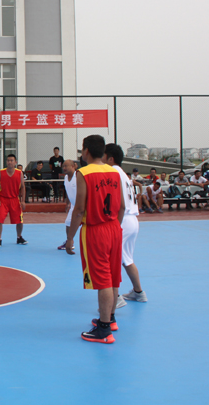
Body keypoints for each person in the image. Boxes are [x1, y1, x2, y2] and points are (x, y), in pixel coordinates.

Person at [65, 135, 124, 344]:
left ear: (86, 151)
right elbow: (122, 206)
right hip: (114, 227)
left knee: (102, 279)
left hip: (96, 230)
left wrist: (70, 237)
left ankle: (104, 330)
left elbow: (79, 209)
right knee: (113, 276)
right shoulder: (114, 171)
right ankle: (111, 319)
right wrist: (115, 227)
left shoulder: (84, 173)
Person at [104, 144, 147, 309]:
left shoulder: (113, 172)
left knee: (110, 260)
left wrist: (114, 224)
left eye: (103, 156)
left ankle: (115, 298)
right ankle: (138, 292)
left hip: (122, 220)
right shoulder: (123, 174)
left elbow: (117, 202)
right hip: (133, 219)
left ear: (110, 158)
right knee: (127, 259)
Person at [0, 154, 26, 247]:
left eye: (11, 160)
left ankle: (19, 237)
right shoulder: (1, 172)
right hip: (3, 199)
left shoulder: (19, 173)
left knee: (20, 221)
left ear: (15, 162)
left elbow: (23, 187)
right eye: (8, 160)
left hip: (15, 199)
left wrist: (23, 201)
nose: (10, 162)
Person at [58, 160, 78, 251]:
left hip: (82, 206)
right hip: (73, 205)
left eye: (66, 166)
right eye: (63, 166)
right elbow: (68, 191)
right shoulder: (66, 177)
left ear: (73, 166)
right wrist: (68, 203)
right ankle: (70, 242)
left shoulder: (78, 177)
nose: (64, 168)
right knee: (68, 223)